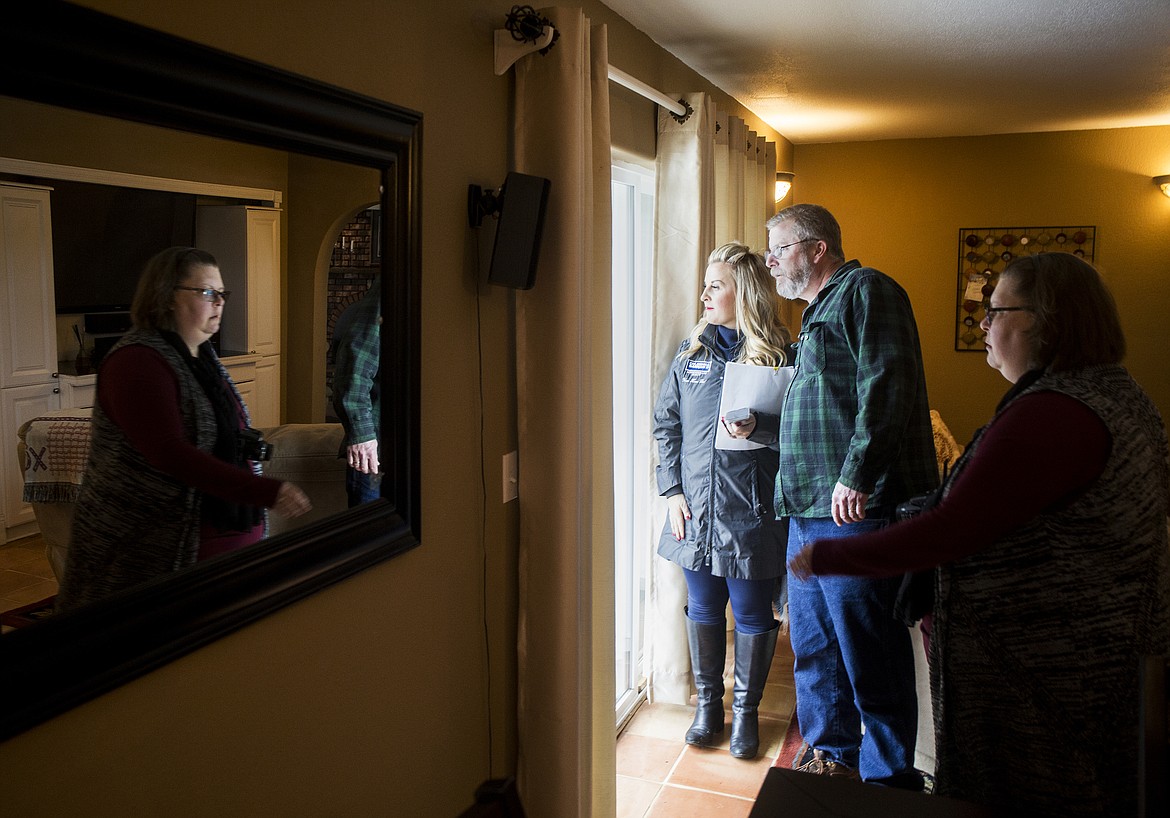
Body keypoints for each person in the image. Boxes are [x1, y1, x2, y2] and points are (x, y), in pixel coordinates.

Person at [789, 252, 1170, 816]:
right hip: (1096, 657)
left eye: (995, 311)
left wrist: (825, 557)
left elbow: (950, 531)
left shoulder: (1054, 414)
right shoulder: (1114, 392)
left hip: (1042, 672)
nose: (983, 325)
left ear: (1044, 320)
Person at [759, 203, 937, 788]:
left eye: (779, 248)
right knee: (813, 648)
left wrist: (857, 474)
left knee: (870, 653)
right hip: (807, 510)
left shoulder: (866, 290)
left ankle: (887, 779)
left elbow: (888, 385)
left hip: (856, 509)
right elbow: (820, 412)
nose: (770, 262)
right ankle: (831, 757)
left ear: (817, 250)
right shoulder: (812, 317)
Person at [57, 247, 311, 611]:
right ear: (166, 295)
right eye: (207, 292)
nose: (220, 303)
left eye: (223, 294)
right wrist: (263, 490)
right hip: (146, 549)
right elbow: (170, 455)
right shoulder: (137, 361)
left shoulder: (200, 355)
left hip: (214, 542)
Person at [652, 242, 791, 760]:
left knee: (753, 614)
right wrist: (671, 491)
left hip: (750, 512)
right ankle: (709, 707)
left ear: (745, 294)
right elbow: (666, 424)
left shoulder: (780, 357)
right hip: (693, 510)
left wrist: (763, 426)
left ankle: (747, 714)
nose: (705, 294)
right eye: (706, 284)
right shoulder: (691, 354)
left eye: (716, 285)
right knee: (704, 607)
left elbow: (798, 433)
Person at [331, 279, 381, 506]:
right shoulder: (395, 282)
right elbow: (357, 359)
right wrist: (362, 435)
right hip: (376, 451)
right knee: (371, 535)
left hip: (417, 447)